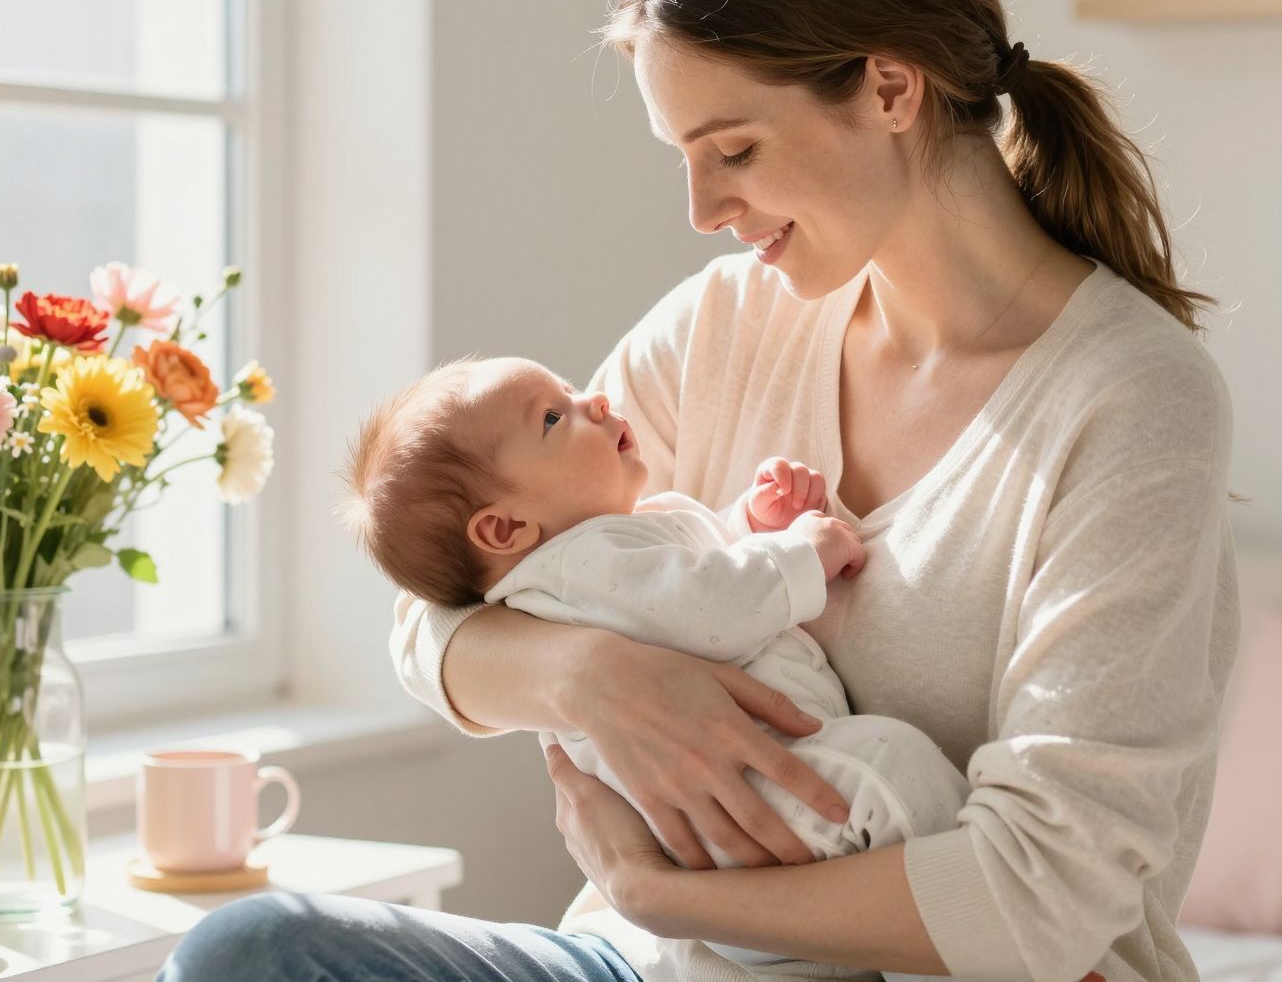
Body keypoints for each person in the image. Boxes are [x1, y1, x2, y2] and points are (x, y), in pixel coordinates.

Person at [158, 0, 1239, 982]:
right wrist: (593, 679)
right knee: (253, 949)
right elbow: (437, 615)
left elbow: (1044, 895)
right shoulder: (724, 325)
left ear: (888, 88)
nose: (701, 209)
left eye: (733, 151)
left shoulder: (1128, 398)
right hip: (652, 967)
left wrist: (648, 890)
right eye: (684, 159)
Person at [336, 355, 971, 977]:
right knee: (895, 771)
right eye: (554, 417)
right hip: (748, 810)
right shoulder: (581, 563)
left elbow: (681, 577)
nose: (599, 400)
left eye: (573, 387)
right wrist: (801, 553)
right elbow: (707, 605)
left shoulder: (599, 552)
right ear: (504, 529)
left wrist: (749, 525)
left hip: (729, 853)